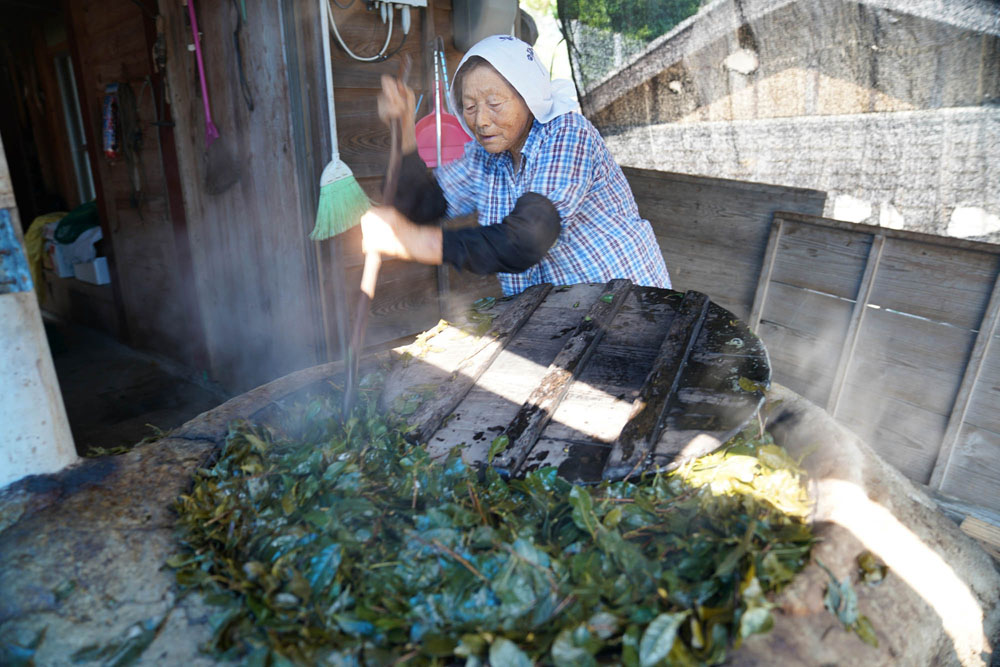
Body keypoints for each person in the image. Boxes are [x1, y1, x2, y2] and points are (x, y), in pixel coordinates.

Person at [361, 34, 670, 296]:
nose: (481, 120)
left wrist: (415, 242)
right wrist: (403, 126)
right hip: (557, 314)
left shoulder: (566, 133)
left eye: (494, 104)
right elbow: (421, 205)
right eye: (470, 107)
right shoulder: (485, 157)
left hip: (628, 302)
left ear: (528, 96)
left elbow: (528, 238)